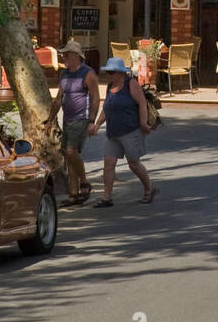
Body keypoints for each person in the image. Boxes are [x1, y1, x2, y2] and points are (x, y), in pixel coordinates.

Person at [88, 56, 157, 207]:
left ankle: (149, 188)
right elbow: (107, 108)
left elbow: (142, 103)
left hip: (130, 130)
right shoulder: (109, 87)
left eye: (112, 72)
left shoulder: (130, 84)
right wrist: (97, 125)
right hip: (113, 132)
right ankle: (107, 197)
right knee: (108, 163)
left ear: (120, 73)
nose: (109, 75)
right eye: (108, 72)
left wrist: (143, 123)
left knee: (133, 164)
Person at [45, 40, 100, 206]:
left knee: (70, 152)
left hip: (81, 119)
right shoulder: (65, 74)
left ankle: (84, 182)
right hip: (67, 119)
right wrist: (50, 120)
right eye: (63, 54)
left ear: (76, 55)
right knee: (68, 158)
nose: (63, 57)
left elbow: (96, 99)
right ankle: (74, 194)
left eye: (66, 54)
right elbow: (58, 99)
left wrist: (92, 121)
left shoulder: (88, 73)